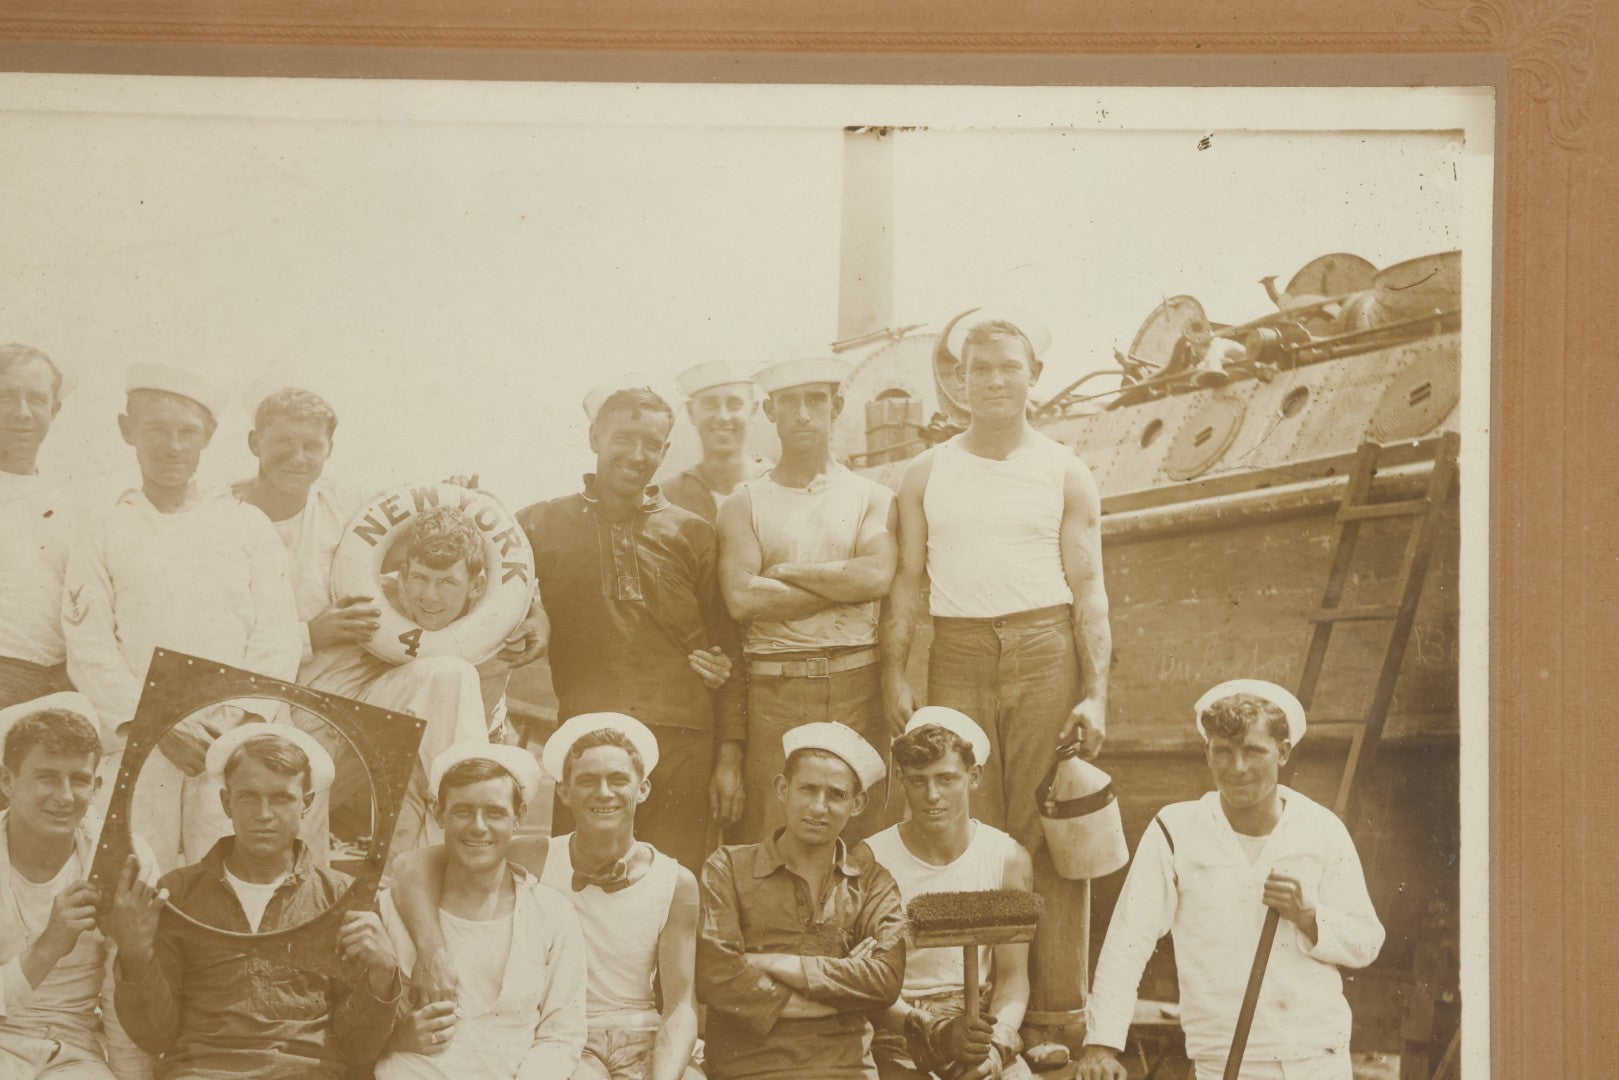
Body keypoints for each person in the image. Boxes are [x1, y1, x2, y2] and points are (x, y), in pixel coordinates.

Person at [879, 311, 1111, 1034]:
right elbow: (907, 583)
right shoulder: (926, 472)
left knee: (1052, 825)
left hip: (1047, 648)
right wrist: (893, 673)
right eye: (980, 369)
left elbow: (1091, 586)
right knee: (967, 826)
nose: (995, 381)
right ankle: (974, 1013)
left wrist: (1096, 693)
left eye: (1009, 366)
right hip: (959, 650)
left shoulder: (1065, 469)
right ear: (958, 381)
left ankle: (1055, 1016)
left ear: (1033, 376)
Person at [232, 386, 547, 860]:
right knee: (295, 837)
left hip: (374, 690)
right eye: (283, 443)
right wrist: (309, 635)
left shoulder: (347, 504)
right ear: (255, 442)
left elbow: (457, 543)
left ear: (328, 450)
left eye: (311, 446)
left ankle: (464, 851)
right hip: (284, 704)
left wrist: (536, 611)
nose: (297, 458)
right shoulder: (223, 519)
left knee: (449, 675)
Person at [1076, 681, 1385, 1080]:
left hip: (1317, 1058)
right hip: (1225, 1062)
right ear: (1207, 753)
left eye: (1254, 751)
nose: (1237, 768)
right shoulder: (1175, 830)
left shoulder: (1320, 829)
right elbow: (1127, 942)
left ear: (1284, 751)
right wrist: (1101, 1045)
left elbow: (1367, 941)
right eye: (1223, 751)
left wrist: (1310, 917)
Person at [62, 364, 303, 872]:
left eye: (187, 432)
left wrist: (237, 724)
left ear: (209, 437)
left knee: (226, 880)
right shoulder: (104, 528)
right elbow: (89, 645)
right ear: (128, 430)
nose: (172, 446)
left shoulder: (245, 524)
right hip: (142, 743)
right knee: (135, 881)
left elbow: (276, 636)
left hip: (232, 743)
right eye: (156, 429)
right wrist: (158, 726)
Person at [391, 714, 701, 1080]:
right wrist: (433, 949)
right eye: (586, 780)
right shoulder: (534, 856)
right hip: (559, 1037)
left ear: (643, 788)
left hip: (642, 1035)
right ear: (565, 792)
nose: (603, 792)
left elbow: (681, 1005)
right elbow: (410, 866)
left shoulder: (674, 880)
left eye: (618, 779)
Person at [516, 380, 745, 874]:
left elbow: (729, 657)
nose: (636, 454)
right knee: (578, 887)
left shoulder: (694, 533)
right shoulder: (538, 525)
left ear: (665, 452)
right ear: (595, 437)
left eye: (651, 445)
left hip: (682, 746)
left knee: (672, 887)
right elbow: (493, 589)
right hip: (585, 744)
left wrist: (728, 759)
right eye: (624, 438)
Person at [103, 723, 403, 1079]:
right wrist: (137, 954)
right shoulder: (178, 893)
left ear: (305, 804)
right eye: (248, 797)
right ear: (226, 802)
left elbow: (357, 1048)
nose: (263, 814)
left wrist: (383, 974)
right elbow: (155, 1036)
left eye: (281, 798)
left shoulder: (340, 898)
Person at [716, 355, 896, 843]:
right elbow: (742, 598)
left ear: (836, 407)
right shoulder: (743, 503)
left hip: (857, 685)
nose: (802, 414)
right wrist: (843, 588)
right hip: (776, 689)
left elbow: (877, 574)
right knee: (774, 840)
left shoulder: (872, 496)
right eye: (787, 402)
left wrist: (791, 573)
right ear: (769, 412)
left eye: (815, 400)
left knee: (859, 838)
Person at [695, 721, 906, 1079]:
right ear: (782, 788)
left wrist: (771, 962)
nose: (819, 807)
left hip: (847, 1069)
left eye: (836, 794)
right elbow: (718, 976)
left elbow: (884, 980)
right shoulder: (729, 867)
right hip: (748, 1069)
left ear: (857, 804)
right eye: (807, 789)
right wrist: (838, 997)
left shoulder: (872, 884)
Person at [373, 741, 589, 1079]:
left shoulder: (551, 913)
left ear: (519, 817)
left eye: (495, 812)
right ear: (438, 814)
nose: (478, 826)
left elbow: (561, 1035)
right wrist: (395, 1037)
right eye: (462, 811)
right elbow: (356, 1030)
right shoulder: (393, 910)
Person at [864, 708, 1036, 1080]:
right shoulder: (872, 858)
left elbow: (1013, 978)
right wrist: (927, 1029)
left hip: (979, 1025)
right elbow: (866, 981)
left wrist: (995, 1051)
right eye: (917, 781)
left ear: (973, 777)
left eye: (946, 779)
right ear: (901, 779)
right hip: (900, 1029)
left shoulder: (1007, 859)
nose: (931, 795)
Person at [0, 693, 156, 1079]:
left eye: (80, 779)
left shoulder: (123, 856)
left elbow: (119, 987)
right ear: (7, 780)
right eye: (47, 777)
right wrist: (48, 946)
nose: (65, 796)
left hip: (74, 1053)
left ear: (97, 785)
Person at [0, 345, 81, 710]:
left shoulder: (72, 505)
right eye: (5, 396)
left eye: (36, 399)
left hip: (56, 691)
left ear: (55, 409)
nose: (21, 413)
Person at [663, 361, 767, 523]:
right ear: (691, 412)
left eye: (734, 405)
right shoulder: (669, 495)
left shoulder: (776, 486)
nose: (723, 417)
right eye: (710, 405)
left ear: (753, 411)